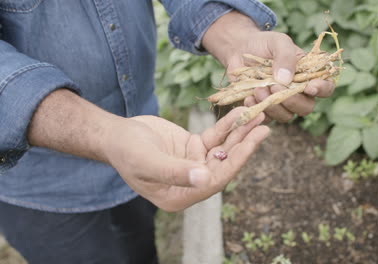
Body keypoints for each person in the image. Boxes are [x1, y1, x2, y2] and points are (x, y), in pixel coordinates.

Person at [0, 0, 335, 263]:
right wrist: (106, 135)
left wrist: (239, 39)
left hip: (149, 139)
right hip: (42, 187)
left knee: (140, 250)